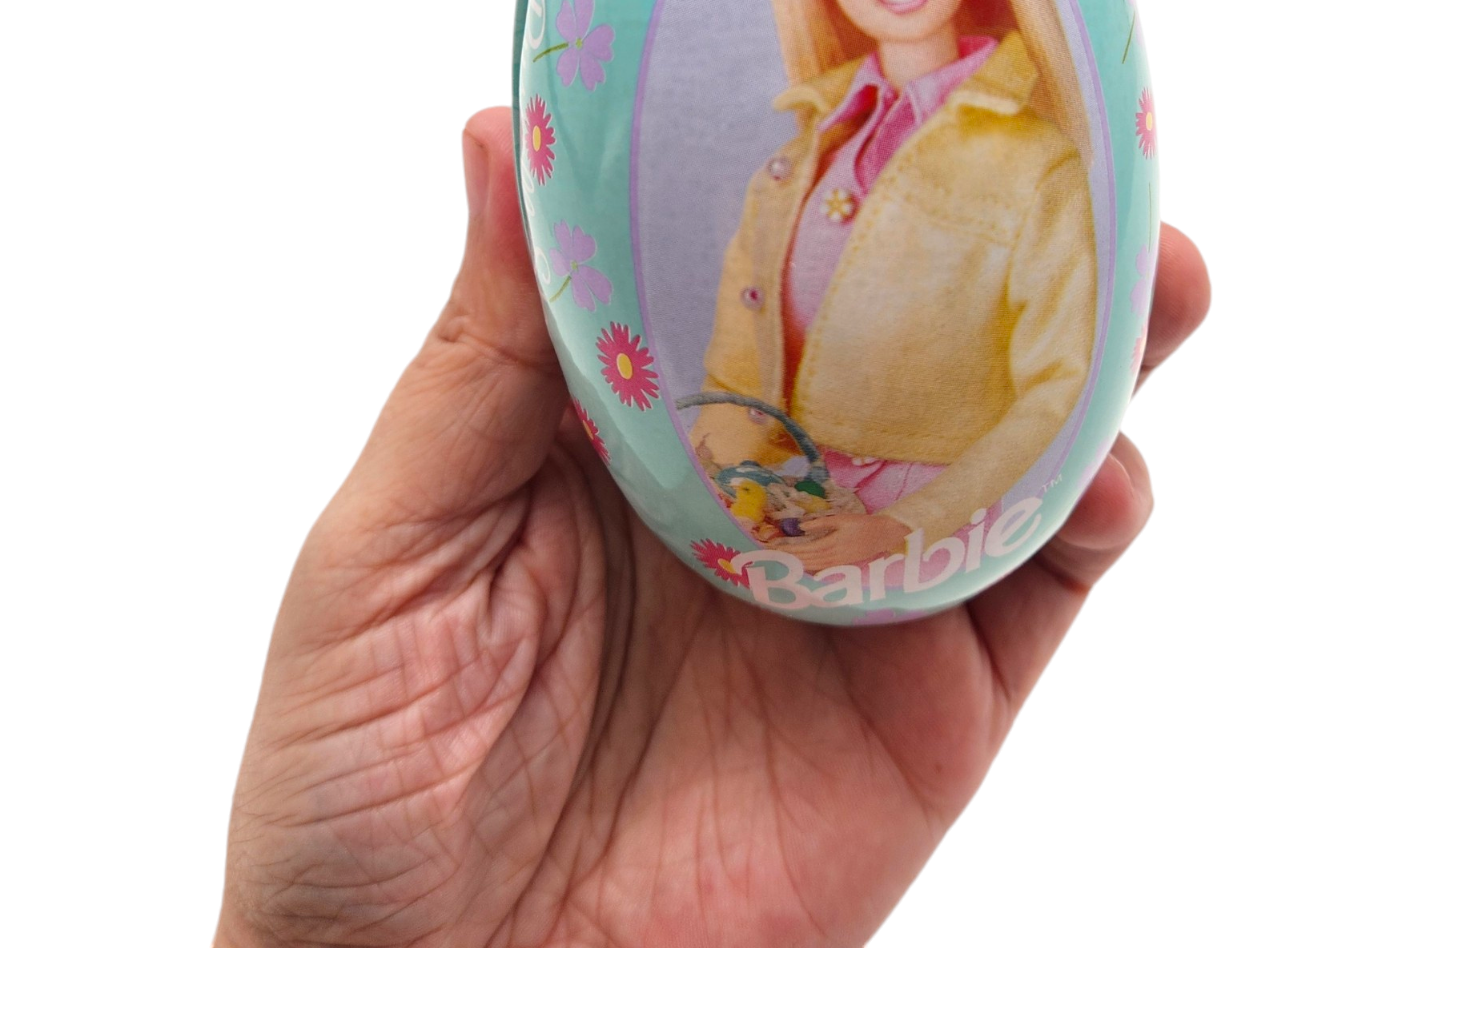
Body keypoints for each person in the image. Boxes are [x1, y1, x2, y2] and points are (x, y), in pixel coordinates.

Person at [214, 107, 1209, 946]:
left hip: (892, 533)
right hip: (769, 530)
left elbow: (1049, 396)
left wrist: (907, 524)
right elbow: (739, 348)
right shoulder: (809, 138)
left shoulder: (1029, 155)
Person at [691, 0, 1095, 571]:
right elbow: (737, 373)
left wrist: (909, 525)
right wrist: (717, 487)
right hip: (788, 529)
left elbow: (1059, 388)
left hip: (932, 538)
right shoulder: (799, 163)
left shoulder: (1035, 169)